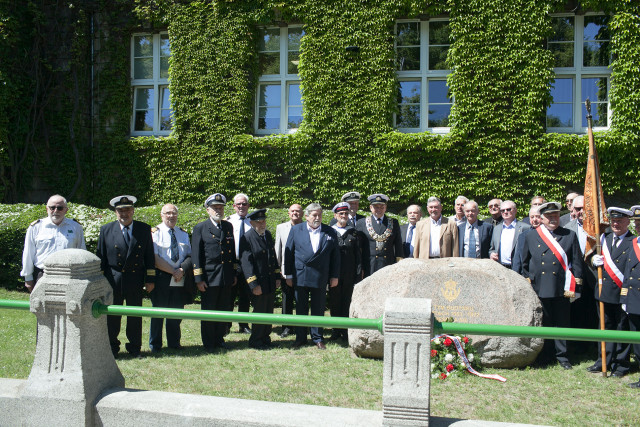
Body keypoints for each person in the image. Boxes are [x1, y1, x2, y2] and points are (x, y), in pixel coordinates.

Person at [522, 202, 583, 369]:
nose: (553, 219)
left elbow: (576, 262)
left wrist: (576, 286)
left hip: (562, 287)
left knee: (562, 322)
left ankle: (563, 357)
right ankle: (545, 355)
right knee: (544, 322)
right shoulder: (531, 236)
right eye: (549, 217)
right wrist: (528, 282)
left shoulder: (569, 235)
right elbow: (524, 263)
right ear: (542, 219)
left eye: (555, 216)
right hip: (540, 287)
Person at [96, 195, 155, 358]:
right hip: (112, 280)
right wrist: (100, 282)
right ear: (115, 212)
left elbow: (149, 256)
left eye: (127, 210)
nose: (124, 213)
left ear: (133, 211)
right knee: (112, 316)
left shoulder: (143, 229)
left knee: (134, 315)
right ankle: (111, 348)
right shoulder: (106, 230)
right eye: (120, 210)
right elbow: (101, 259)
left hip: (135, 279)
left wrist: (150, 279)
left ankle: (135, 348)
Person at [285, 203, 340, 349]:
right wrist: (289, 275)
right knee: (301, 308)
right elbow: (288, 253)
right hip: (300, 274)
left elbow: (335, 256)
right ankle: (300, 337)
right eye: (314, 215)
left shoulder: (330, 231)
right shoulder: (296, 230)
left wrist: (334, 275)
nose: (317, 218)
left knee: (318, 308)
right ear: (307, 216)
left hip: (320, 275)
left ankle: (317, 337)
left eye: (320, 215)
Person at [586, 207, 634, 377]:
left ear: (628, 222)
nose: (616, 224)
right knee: (604, 328)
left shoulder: (634, 241)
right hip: (604, 292)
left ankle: (621, 365)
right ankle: (603, 361)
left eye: (620, 221)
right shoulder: (603, 239)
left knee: (622, 330)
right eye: (613, 221)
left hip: (622, 294)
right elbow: (591, 258)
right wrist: (593, 260)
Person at [191, 193, 237, 352]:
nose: (218, 210)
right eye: (215, 208)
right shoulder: (200, 228)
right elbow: (196, 254)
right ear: (207, 210)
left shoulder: (227, 226)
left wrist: (233, 274)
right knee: (209, 311)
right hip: (209, 278)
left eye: (220, 207)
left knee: (224, 310)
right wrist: (198, 278)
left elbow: (231, 252)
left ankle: (220, 338)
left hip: (225, 277)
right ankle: (209, 342)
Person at [149, 204, 193, 353]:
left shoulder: (183, 233)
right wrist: (174, 271)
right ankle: (155, 345)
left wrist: (181, 270)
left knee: (176, 312)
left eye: (174, 213)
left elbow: (189, 256)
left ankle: (174, 343)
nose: (171, 216)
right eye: (168, 213)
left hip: (179, 277)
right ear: (162, 215)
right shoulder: (155, 232)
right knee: (158, 312)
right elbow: (155, 258)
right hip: (162, 277)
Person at [21, 194, 86, 292]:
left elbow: (82, 253)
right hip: (43, 274)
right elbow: (28, 253)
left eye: (60, 208)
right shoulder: (36, 227)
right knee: (42, 306)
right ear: (47, 209)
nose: (55, 211)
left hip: (69, 275)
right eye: (52, 208)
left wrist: (82, 276)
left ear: (66, 210)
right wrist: (28, 277)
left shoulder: (76, 227)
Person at [239, 209, 281, 350]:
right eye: (259, 222)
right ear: (251, 223)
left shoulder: (267, 235)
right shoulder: (247, 237)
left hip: (269, 281)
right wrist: (253, 284)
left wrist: (276, 276)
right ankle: (256, 340)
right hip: (258, 283)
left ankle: (265, 338)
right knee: (259, 312)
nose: (262, 224)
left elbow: (273, 257)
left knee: (268, 311)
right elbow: (246, 262)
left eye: (264, 221)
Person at [564, 195, 598, 350]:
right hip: (575, 278)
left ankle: (596, 345)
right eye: (577, 209)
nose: (581, 212)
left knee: (596, 312)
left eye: (584, 208)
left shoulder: (601, 227)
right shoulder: (567, 228)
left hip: (596, 276)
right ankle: (578, 346)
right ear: (572, 210)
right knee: (577, 311)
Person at [329, 202, 361, 341]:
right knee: (335, 302)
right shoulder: (329, 231)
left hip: (349, 273)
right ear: (335, 215)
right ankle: (335, 330)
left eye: (346, 214)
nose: (344, 216)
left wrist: (358, 274)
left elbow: (358, 255)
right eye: (341, 214)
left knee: (347, 301)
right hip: (334, 274)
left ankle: (346, 331)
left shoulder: (353, 232)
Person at [356, 194, 403, 277]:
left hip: (388, 264)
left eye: (382, 207)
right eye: (376, 207)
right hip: (370, 265)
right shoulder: (362, 223)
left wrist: (399, 265)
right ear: (371, 208)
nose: (379, 209)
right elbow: (358, 248)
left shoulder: (393, 222)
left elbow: (398, 246)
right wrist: (360, 268)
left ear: (386, 208)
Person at [274, 203, 303, 338]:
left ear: (302, 213)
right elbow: (278, 250)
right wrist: (277, 271)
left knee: (301, 300)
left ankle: (301, 326)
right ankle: (286, 327)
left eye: (297, 211)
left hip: (303, 271)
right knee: (287, 300)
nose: (295, 213)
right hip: (286, 271)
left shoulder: (307, 227)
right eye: (292, 211)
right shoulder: (281, 228)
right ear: (288, 213)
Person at [226, 193, 252, 334]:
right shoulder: (227, 221)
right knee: (229, 296)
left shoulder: (253, 221)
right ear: (234, 206)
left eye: (244, 204)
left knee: (245, 295)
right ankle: (227, 325)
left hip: (248, 264)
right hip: (232, 262)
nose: (242, 206)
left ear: (248, 206)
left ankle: (244, 325)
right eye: (239, 204)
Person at [622, 204, 640, 388]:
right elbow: (628, 273)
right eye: (638, 223)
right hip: (634, 299)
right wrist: (624, 298)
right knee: (637, 340)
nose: (639, 226)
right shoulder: (634, 243)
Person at [489, 200, 530, 269]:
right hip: (500, 267)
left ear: (515, 211)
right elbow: (492, 248)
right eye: (502, 210)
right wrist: (491, 254)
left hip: (517, 268)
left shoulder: (525, 228)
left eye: (508, 209)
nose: (505, 212)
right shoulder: (496, 229)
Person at [512, 206, 542, 275]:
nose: (535, 219)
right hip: (527, 275)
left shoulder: (549, 234)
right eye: (532, 217)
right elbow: (518, 258)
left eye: (537, 216)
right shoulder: (523, 235)